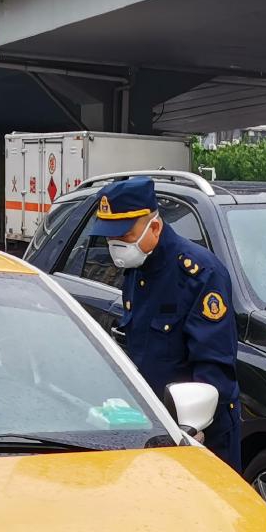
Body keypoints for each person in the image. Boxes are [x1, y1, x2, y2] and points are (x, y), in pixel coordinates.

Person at [91, 177, 240, 467]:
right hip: (152, 427)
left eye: (123, 236)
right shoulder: (138, 268)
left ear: (155, 227)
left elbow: (214, 366)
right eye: (109, 238)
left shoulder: (200, 274)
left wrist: (192, 426)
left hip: (199, 434)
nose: (115, 246)